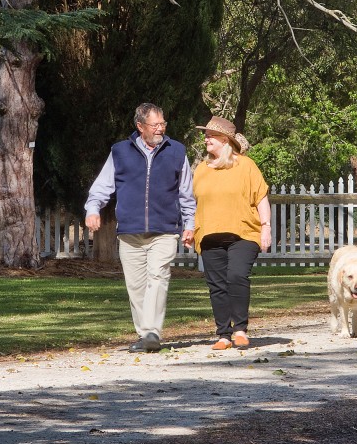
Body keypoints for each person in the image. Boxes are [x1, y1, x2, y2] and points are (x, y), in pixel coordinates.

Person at [85, 103, 195, 353]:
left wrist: (190, 224)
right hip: (130, 232)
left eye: (163, 124)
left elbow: (186, 193)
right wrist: (93, 209)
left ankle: (152, 332)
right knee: (135, 286)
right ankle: (145, 334)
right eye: (155, 125)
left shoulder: (176, 151)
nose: (160, 129)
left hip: (164, 230)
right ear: (140, 126)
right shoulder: (120, 151)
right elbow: (103, 186)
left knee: (158, 277)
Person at [192, 117, 271, 350]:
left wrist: (266, 228)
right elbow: (192, 201)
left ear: (224, 140)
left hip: (244, 233)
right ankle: (223, 335)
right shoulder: (201, 169)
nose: (206, 138)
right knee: (216, 285)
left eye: (210, 135)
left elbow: (261, 197)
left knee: (236, 276)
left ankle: (240, 330)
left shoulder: (246, 165)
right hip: (209, 234)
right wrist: (189, 228)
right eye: (205, 134)